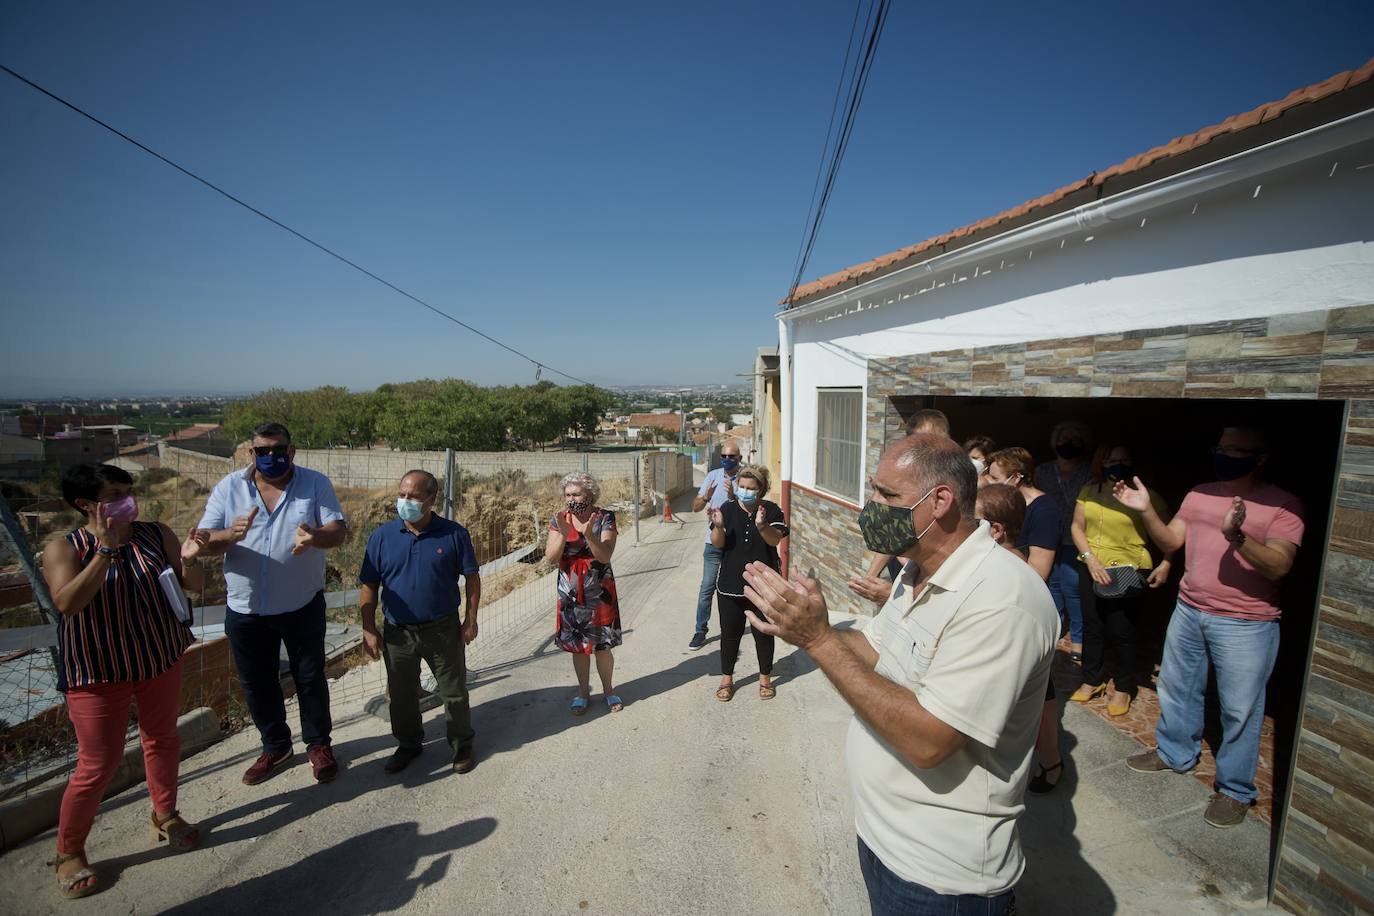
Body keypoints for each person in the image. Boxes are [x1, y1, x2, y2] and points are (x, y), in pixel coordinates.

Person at [743, 434, 1058, 914]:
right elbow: (874, 649)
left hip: (941, 879)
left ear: (940, 502)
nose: (870, 507)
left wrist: (820, 641)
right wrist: (811, 625)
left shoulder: (1002, 600)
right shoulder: (915, 572)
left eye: (886, 496)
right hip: (884, 842)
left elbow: (930, 741)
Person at [1118, 427, 1302, 828]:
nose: (1224, 455)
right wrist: (1146, 510)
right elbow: (1171, 540)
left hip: (1246, 623)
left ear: (1260, 457)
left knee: (1240, 708)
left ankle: (1236, 789)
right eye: (1220, 448)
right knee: (1176, 685)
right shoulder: (1199, 492)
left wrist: (1236, 535)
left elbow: (1280, 565)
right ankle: (1174, 753)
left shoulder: (1283, 505)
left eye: (1235, 449)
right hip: (1189, 608)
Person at [41, 464, 207, 899]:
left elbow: (192, 584)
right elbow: (68, 603)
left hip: (158, 657)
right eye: (114, 493)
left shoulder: (155, 534)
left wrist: (190, 560)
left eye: (127, 491)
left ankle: (165, 814)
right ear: (86, 505)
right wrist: (106, 551)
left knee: (162, 738)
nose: (127, 500)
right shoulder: (65, 548)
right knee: (97, 765)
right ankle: (70, 851)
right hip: (98, 672)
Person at [193, 422, 347, 785]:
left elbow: (338, 531)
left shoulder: (314, 484)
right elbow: (207, 539)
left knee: (309, 678)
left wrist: (315, 536)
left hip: (301, 603)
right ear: (252, 453)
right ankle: (275, 746)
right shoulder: (229, 488)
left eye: (279, 450)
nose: (272, 457)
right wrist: (228, 535)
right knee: (257, 682)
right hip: (246, 608)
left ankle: (318, 746)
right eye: (263, 451)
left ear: (292, 451)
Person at [359, 470, 481, 775]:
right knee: (401, 695)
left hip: (442, 629)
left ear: (431, 498)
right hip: (398, 633)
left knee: (453, 691)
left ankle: (461, 743)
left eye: (413, 496)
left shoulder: (453, 534)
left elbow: (472, 578)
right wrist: (368, 627)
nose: (405, 501)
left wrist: (470, 620)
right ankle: (409, 744)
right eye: (402, 494)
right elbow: (369, 585)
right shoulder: (381, 537)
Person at [1069, 445, 1172, 717]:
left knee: (1121, 630)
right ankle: (1092, 680)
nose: (1118, 464)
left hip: (1127, 568)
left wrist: (1166, 562)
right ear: (1102, 463)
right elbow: (1077, 527)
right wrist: (1090, 558)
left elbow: (1170, 534)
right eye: (1113, 460)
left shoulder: (1147, 497)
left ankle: (1124, 687)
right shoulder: (1089, 491)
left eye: (1124, 459)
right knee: (1092, 625)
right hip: (1091, 566)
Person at [987, 446, 1064, 793]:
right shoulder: (1004, 505)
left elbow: (1039, 571)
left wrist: (1000, 547)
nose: (987, 481)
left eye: (994, 476)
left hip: (1029, 608)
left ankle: (1051, 760)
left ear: (1017, 479)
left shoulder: (1045, 511)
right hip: (1004, 602)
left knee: (1038, 692)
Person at [851, 411, 954, 603]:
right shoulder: (909, 476)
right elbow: (893, 529)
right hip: (904, 576)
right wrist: (871, 577)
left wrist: (893, 595)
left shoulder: (957, 486)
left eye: (927, 443)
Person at [707, 465, 788, 702]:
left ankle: (765, 678)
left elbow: (775, 540)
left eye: (751, 488)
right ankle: (726, 678)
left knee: (763, 633)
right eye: (742, 487)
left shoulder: (772, 511)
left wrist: (762, 525)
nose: (745, 491)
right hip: (730, 584)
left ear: (761, 490)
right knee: (729, 634)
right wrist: (719, 526)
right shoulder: (727, 509)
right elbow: (717, 543)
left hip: (762, 586)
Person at [545, 472, 623, 714]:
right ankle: (582, 692)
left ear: (589, 494)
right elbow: (550, 558)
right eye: (568, 494)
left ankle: (609, 690)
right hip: (570, 591)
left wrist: (588, 535)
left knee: (602, 646)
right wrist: (565, 532)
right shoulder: (559, 519)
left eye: (576, 494)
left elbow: (605, 555)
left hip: (599, 589)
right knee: (578, 646)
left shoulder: (605, 517)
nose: (571, 499)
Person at [1035, 420, 1096, 659]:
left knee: (1073, 587)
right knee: (1051, 586)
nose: (1068, 444)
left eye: (1075, 440)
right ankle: (1054, 631)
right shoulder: (1043, 471)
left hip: (1076, 537)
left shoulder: (1090, 472)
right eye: (1064, 439)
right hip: (1048, 535)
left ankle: (1079, 640)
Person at [688, 439, 743, 649]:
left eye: (732, 456)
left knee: (733, 589)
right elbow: (695, 507)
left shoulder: (746, 478)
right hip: (712, 542)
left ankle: (733, 629)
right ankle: (700, 630)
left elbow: (748, 509)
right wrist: (705, 498)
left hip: (734, 543)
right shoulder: (712, 476)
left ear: (739, 458)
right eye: (724, 456)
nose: (727, 460)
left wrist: (732, 496)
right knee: (706, 588)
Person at [975, 482, 1026, 554]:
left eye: (975, 522)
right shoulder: (1017, 558)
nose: (968, 526)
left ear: (996, 530)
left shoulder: (992, 562)